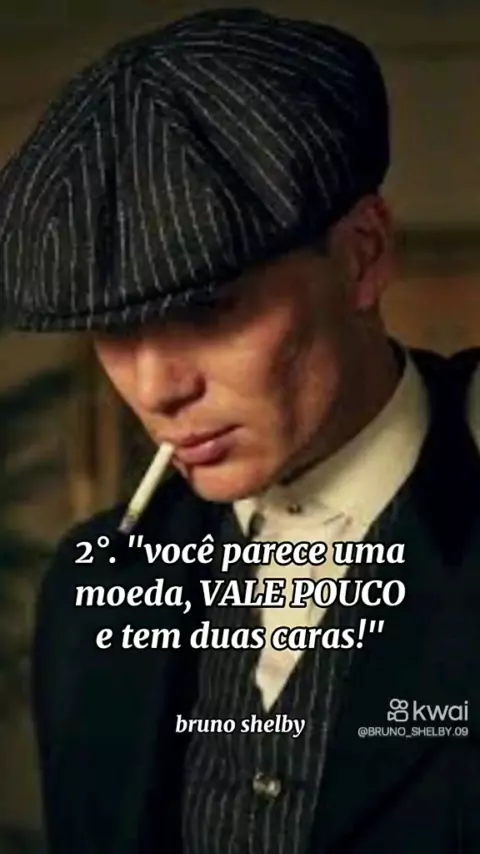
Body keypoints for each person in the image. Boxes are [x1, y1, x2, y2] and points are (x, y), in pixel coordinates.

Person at [0, 9, 478, 854]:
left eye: (209, 307)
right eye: (115, 329)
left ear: (363, 255)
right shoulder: (86, 595)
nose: (156, 389)